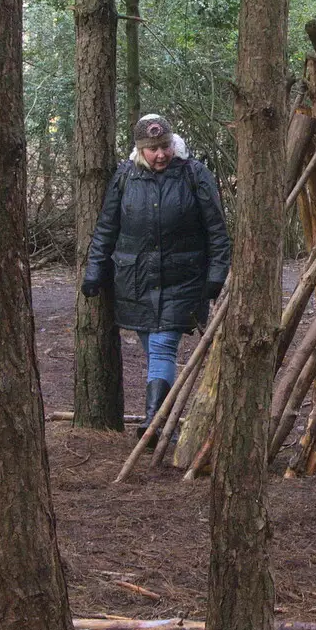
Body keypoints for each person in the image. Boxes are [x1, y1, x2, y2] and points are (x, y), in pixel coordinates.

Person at [82, 114, 230, 427]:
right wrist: (95, 270)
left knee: (162, 347)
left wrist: (216, 275)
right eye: (152, 149)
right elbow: (106, 228)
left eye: (164, 146)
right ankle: (163, 420)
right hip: (135, 281)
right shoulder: (125, 177)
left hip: (183, 280)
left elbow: (217, 230)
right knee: (153, 350)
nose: (160, 154)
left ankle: (154, 423)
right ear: (140, 149)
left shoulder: (195, 174)